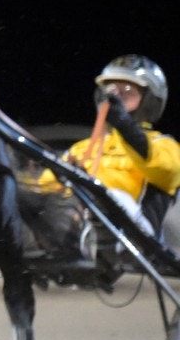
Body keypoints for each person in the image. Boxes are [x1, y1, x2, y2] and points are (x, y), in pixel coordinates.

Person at [31, 54, 180, 244]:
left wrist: (125, 126)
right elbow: (46, 188)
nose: (114, 97)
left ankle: (81, 233)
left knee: (108, 195)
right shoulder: (81, 148)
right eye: (110, 90)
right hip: (73, 217)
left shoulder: (164, 144)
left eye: (126, 91)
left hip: (135, 230)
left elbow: (167, 170)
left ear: (149, 100)